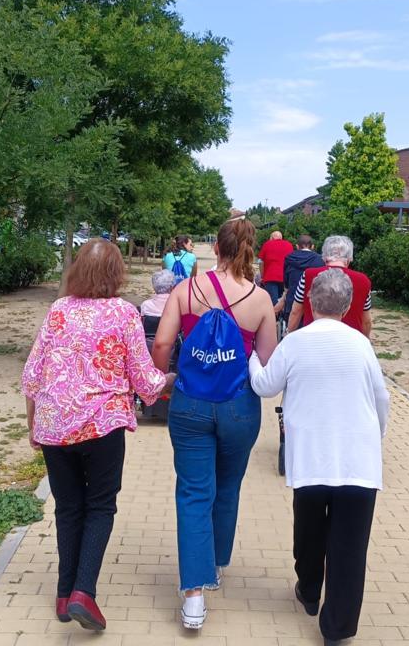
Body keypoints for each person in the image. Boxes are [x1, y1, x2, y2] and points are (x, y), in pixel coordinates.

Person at [22, 239, 174, 632]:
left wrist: (34, 425)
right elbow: (143, 378)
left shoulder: (57, 310)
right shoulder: (124, 313)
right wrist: (169, 380)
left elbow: (32, 374)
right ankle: (83, 592)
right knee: (101, 505)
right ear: (115, 273)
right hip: (101, 424)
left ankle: (63, 593)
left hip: (55, 424)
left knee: (68, 507)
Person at [248, 269, 390, 646]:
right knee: (350, 547)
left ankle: (309, 591)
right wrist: (377, 437)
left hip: (311, 457)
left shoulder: (295, 342)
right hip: (358, 461)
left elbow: (265, 386)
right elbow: (381, 399)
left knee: (308, 532)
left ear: (310, 301)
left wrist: (251, 358)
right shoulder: (361, 344)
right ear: (347, 307)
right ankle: (337, 627)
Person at [151, 219, 277, 630]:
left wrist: (161, 380)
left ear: (216, 249)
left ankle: (193, 598)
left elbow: (163, 343)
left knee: (192, 493)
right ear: (249, 250)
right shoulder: (260, 300)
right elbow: (266, 360)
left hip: (190, 402)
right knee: (227, 486)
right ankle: (216, 565)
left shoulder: (185, 290)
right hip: (239, 405)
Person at [287, 235, 372, 337]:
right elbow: (366, 321)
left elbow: (296, 311)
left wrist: (289, 335)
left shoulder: (308, 275)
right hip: (349, 341)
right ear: (349, 259)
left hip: (313, 339)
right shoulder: (363, 280)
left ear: (324, 256)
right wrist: (365, 341)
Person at [273, 234, 324, 318]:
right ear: (313, 246)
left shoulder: (289, 258)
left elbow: (286, 284)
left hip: (292, 301)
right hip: (312, 304)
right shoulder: (319, 260)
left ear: (297, 246)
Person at [258, 230, 294, 305]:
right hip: (285, 278)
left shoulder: (267, 244)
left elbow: (261, 262)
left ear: (272, 237)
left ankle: (274, 316)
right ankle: (282, 315)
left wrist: (262, 276)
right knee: (282, 300)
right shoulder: (289, 245)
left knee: (272, 301)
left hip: (270, 276)